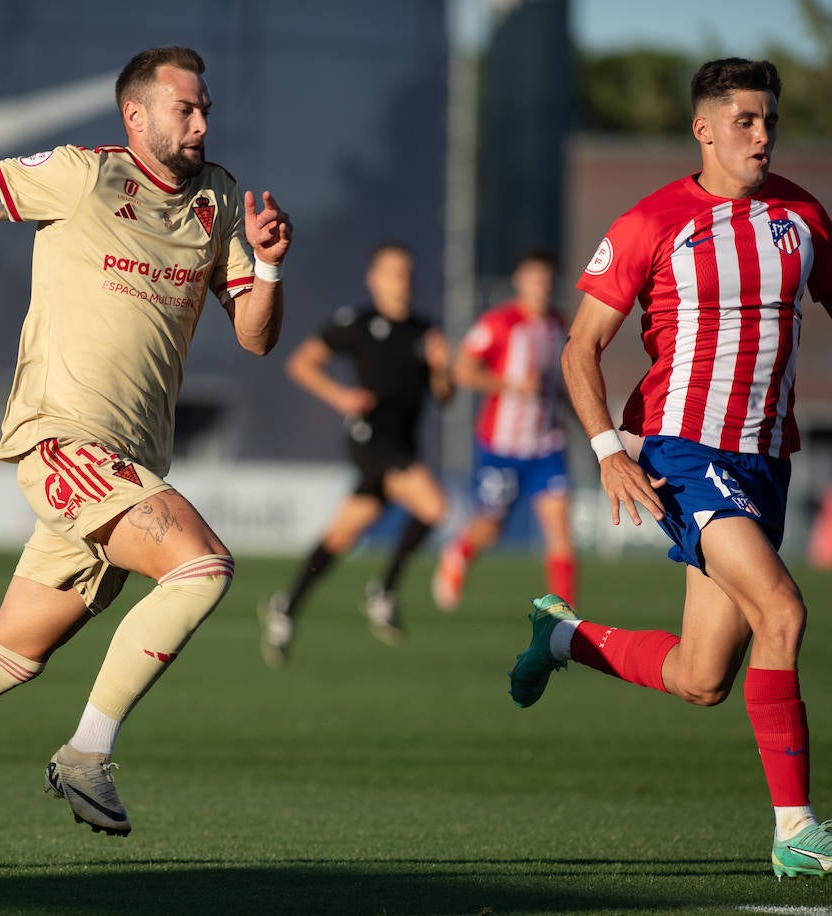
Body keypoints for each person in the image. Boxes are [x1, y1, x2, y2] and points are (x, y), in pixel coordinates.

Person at [0, 46, 292, 873]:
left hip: (129, 462)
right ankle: (87, 753)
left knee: (11, 653)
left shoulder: (219, 199)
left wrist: (271, 264)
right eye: (187, 108)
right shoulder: (81, 175)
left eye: (206, 107)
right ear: (135, 116)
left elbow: (255, 337)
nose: (203, 122)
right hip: (62, 439)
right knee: (203, 568)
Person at [508, 58, 832, 879]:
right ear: (705, 128)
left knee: (700, 679)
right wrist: (609, 450)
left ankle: (563, 637)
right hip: (683, 454)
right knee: (783, 613)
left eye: (769, 121)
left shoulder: (802, 218)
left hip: (765, 463)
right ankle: (795, 830)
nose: (762, 136)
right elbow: (581, 347)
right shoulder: (653, 223)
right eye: (745, 121)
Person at [259, 242, 451, 662]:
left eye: (408, 272)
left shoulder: (425, 331)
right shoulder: (358, 323)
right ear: (374, 279)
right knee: (434, 505)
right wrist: (341, 397)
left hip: (402, 444)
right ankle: (383, 591)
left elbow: (445, 397)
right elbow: (302, 363)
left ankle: (286, 606)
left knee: (343, 534)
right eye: (394, 271)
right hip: (370, 440)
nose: (403, 280)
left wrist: (441, 367)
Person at [432, 249, 576, 611]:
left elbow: (561, 385)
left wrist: (587, 425)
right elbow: (462, 371)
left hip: (546, 445)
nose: (540, 287)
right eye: (533, 279)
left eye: (546, 280)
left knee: (560, 530)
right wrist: (510, 386)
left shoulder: (558, 324)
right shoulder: (498, 323)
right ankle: (459, 552)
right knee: (491, 528)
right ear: (519, 282)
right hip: (502, 446)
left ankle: (565, 618)